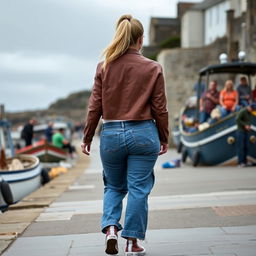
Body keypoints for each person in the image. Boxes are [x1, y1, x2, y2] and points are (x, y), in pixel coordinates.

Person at [81, 14, 168, 256]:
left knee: (113, 186)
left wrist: (87, 137)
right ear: (140, 40)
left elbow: (94, 106)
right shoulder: (153, 67)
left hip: (110, 135)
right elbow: (160, 107)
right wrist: (164, 137)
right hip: (143, 133)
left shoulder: (104, 66)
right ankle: (132, 241)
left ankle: (110, 229)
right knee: (139, 188)